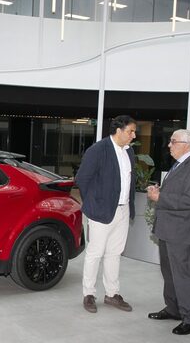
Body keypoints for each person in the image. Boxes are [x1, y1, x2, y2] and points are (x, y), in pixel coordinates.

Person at [146, 129, 190, 335]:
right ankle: (173, 309)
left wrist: (159, 199)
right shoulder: (180, 164)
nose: (169, 145)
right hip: (169, 229)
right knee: (169, 273)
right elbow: (178, 193)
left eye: (173, 141)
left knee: (183, 275)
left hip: (183, 232)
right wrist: (160, 192)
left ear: (186, 144)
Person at [75, 115, 137, 314]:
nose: (133, 136)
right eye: (130, 131)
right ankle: (89, 294)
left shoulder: (130, 152)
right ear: (118, 131)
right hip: (100, 211)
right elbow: (82, 179)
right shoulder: (98, 150)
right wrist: (94, 204)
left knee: (114, 254)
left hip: (123, 209)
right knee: (95, 253)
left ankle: (112, 294)